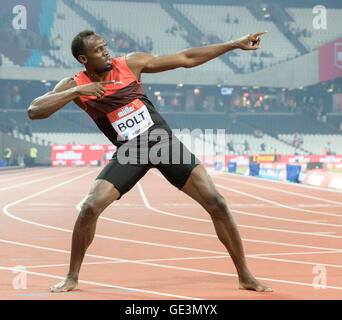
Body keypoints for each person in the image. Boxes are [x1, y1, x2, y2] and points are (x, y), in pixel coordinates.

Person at [28, 29, 272, 293]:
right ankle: (72, 277)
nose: (106, 51)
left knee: (217, 202)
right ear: (83, 59)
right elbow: (35, 111)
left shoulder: (130, 63)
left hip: (162, 142)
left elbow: (186, 57)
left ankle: (245, 275)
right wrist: (78, 90)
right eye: (98, 50)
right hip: (131, 152)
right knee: (89, 207)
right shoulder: (74, 84)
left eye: (105, 46)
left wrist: (234, 43)